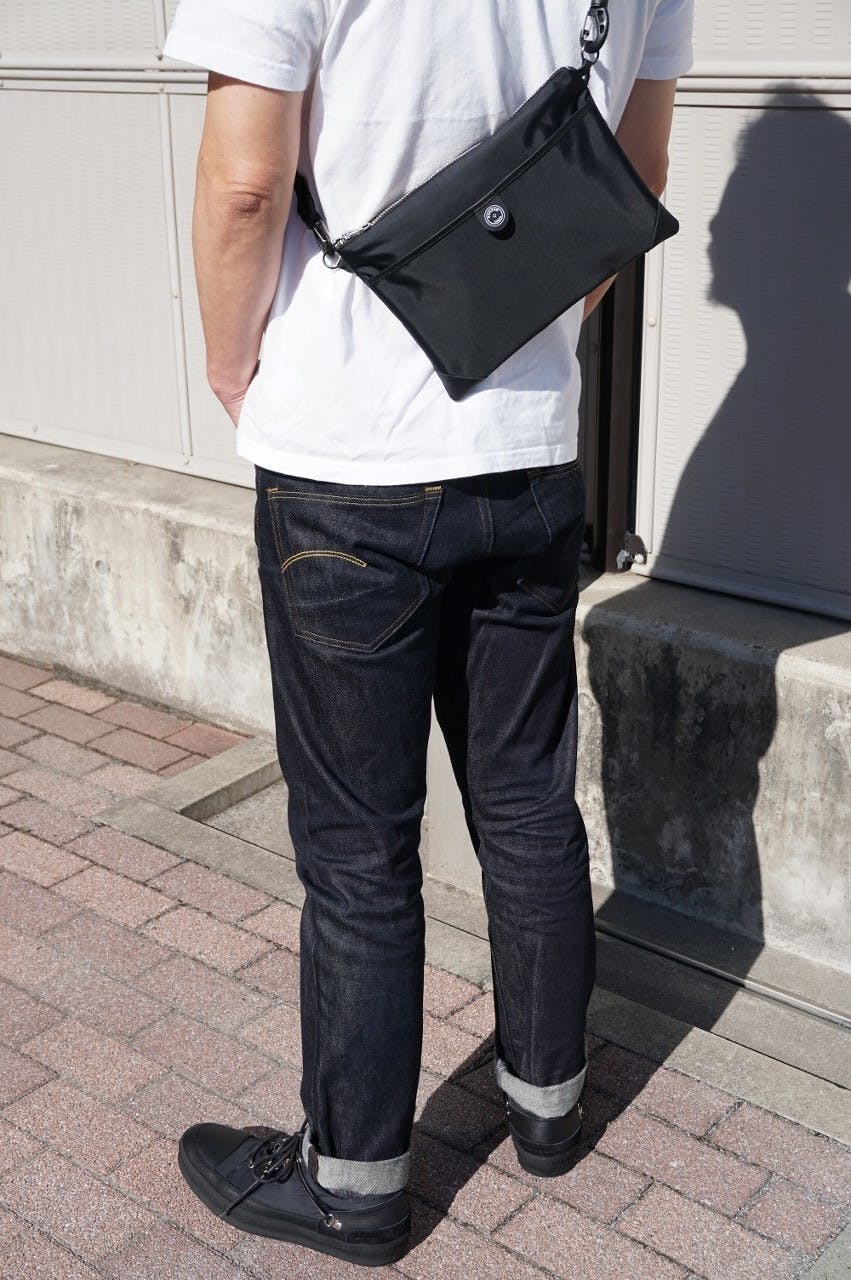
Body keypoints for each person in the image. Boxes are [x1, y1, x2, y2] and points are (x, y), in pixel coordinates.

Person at [163, 0, 694, 1267]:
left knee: (358, 847)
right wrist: (526, 333)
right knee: (525, 799)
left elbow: (246, 185)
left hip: (344, 454)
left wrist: (235, 367)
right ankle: (548, 1103)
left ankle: (353, 1183)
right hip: (527, 446)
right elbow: (635, 172)